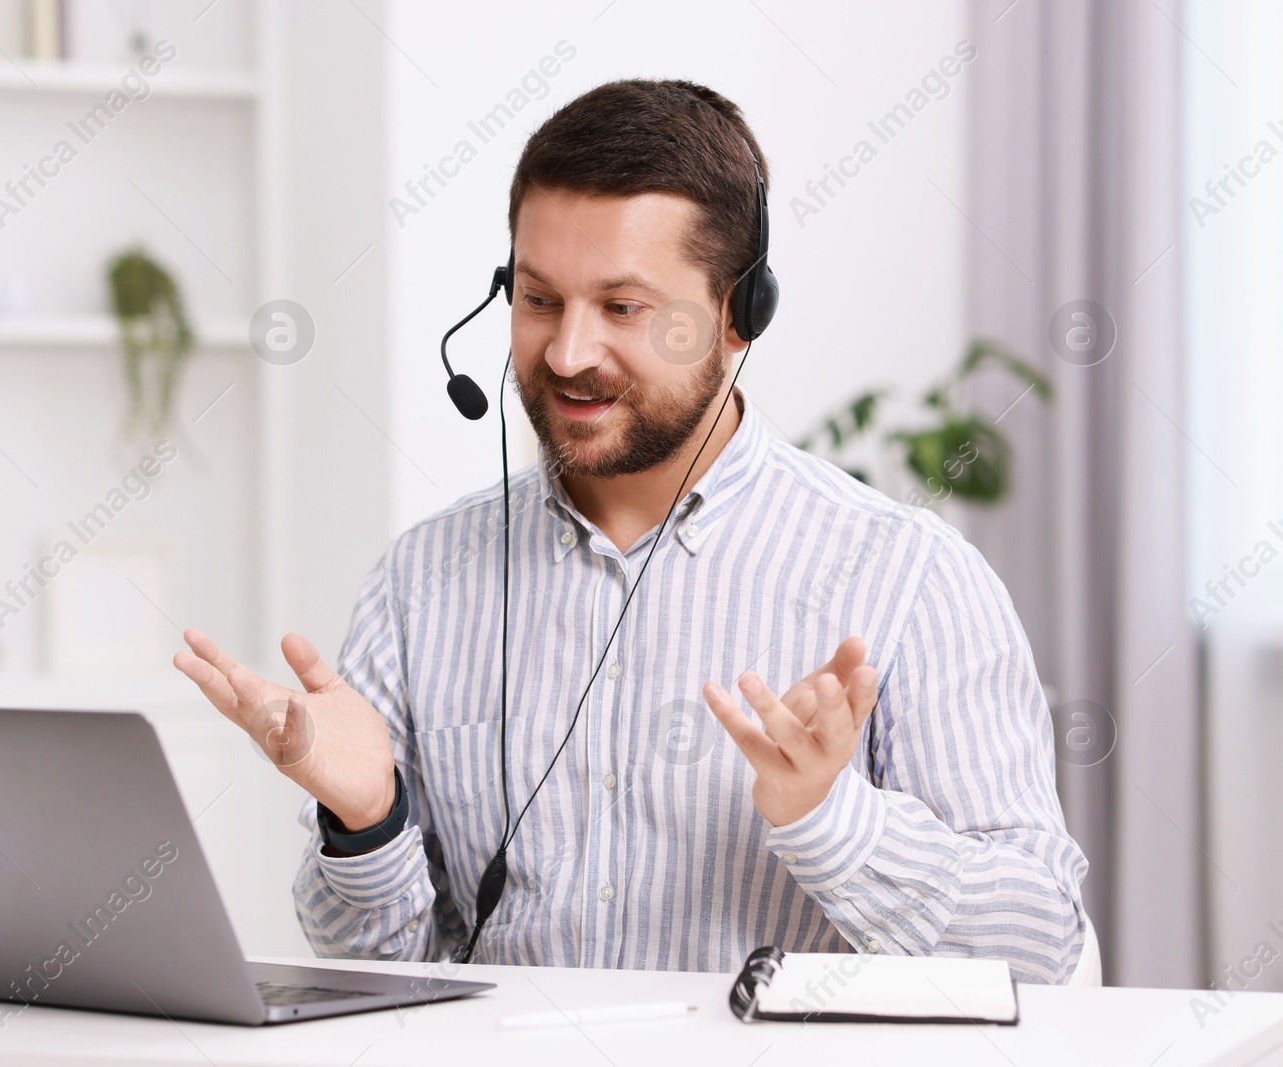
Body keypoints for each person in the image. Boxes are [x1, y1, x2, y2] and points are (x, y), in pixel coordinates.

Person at [174, 78, 1087, 982]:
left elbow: (1042, 944)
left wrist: (831, 822)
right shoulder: (423, 581)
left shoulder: (907, 578)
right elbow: (380, 969)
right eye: (538, 300)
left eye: (623, 308)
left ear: (738, 315)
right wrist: (368, 820)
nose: (568, 354)